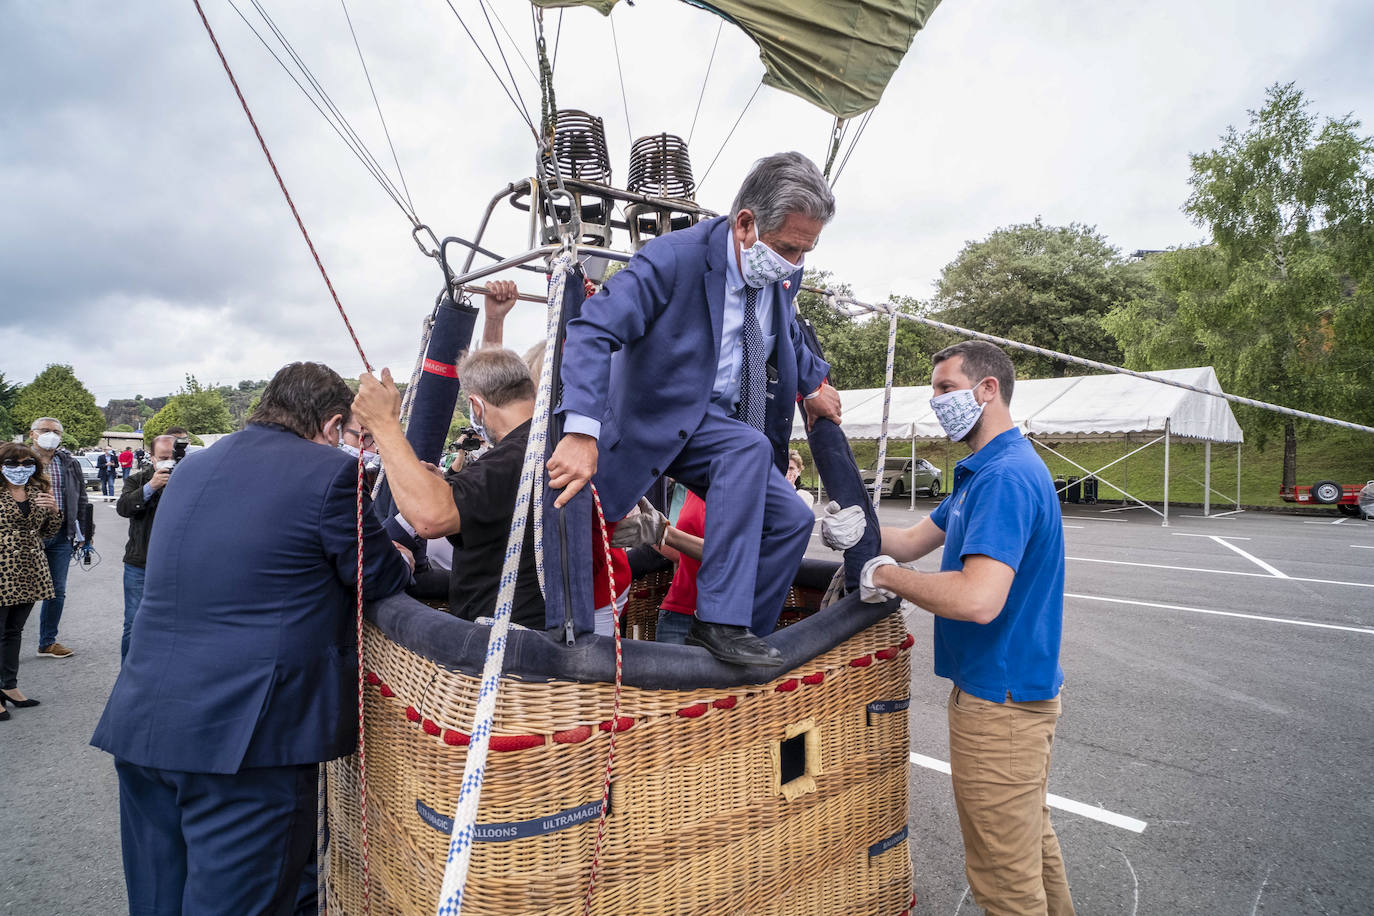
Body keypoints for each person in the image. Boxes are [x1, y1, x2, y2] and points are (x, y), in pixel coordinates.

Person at [90, 361, 414, 916]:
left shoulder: (191, 469)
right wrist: (402, 556)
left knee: (158, 901)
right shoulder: (330, 473)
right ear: (333, 423)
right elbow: (377, 576)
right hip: (247, 738)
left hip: (146, 720)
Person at [547, 151, 843, 666]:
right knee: (745, 448)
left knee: (793, 518)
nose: (794, 264)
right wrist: (580, 432)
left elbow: (787, 337)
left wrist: (814, 384)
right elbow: (592, 330)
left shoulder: (783, 276)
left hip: (716, 432)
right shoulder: (672, 258)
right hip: (645, 426)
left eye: (805, 252)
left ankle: (736, 631)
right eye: (789, 249)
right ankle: (716, 621)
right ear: (746, 224)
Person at [837, 340, 1074, 915]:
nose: (936, 400)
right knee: (1030, 850)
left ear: (987, 389)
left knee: (1003, 875)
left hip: (1002, 705)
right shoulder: (982, 473)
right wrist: (844, 526)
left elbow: (977, 600)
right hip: (1011, 695)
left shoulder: (1005, 479)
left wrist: (885, 575)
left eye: (946, 388)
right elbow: (914, 540)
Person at [352, 347, 545, 629]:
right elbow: (491, 499)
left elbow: (430, 519)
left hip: (505, 637)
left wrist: (384, 425)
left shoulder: (509, 461)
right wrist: (443, 486)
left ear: (476, 406)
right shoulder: (540, 446)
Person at [114, 427, 188, 661]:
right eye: (163, 457)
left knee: (177, 624)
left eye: (173, 457)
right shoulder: (138, 479)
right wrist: (152, 486)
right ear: (152, 457)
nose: (169, 462)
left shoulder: (188, 479)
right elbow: (124, 508)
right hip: (140, 563)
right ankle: (128, 674)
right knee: (134, 623)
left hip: (178, 565)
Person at [0, 443, 62, 721]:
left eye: (27, 464)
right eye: (13, 463)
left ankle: (9, 686)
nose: (21, 469)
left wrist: (53, 511)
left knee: (14, 631)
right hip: (2, 570)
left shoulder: (38, 493)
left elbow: (48, 533)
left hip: (29, 571)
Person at [27, 417, 88, 659]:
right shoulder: (19, 460)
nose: (51, 435)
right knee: (21, 591)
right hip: (28, 535)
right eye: (45, 430)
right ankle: (8, 641)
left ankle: (47, 642)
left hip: (62, 534)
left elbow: (81, 499)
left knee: (57, 591)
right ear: (33, 434)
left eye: (55, 431)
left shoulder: (69, 463)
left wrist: (85, 533)